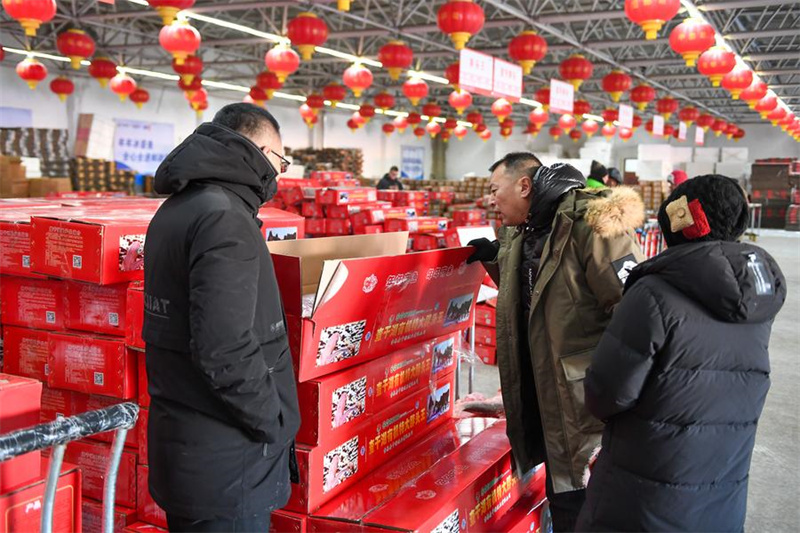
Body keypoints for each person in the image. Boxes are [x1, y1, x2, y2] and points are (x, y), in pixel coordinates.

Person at [576, 175, 786, 532]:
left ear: (677, 221)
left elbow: (607, 393)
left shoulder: (653, 292)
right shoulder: (756, 297)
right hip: (723, 485)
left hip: (644, 486)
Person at [142, 103, 300, 532]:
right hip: (229, 460)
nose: (279, 174)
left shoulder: (179, 208)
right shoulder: (225, 218)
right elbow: (223, 347)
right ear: (261, 152)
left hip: (189, 442)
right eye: (281, 161)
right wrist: (273, 420)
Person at [467, 152, 645, 532]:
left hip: (586, 405)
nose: (491, 199)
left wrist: (617, 392)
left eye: (496, 190)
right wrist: (497, 259)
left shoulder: (591, 225)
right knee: (563, 498)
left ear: (524, 185)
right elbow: (543, 291)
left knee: (583, 502)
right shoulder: (528, 231)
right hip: (550, 398)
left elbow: (635, 311)